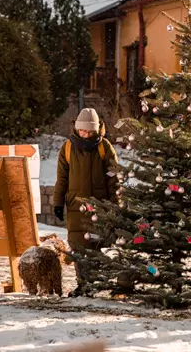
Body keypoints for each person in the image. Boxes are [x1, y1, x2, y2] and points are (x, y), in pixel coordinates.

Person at [53, 108, 119, 295]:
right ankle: (83, 285)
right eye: (83, 131)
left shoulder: (104, 147)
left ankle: (95, 284)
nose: (86, 135)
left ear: (97, 130)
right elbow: (62, 179)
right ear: (77, 128)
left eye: (90, 131)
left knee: (95, 246)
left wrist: (115, 204)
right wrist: (58, 203)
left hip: (99, 207)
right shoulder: (67, 148)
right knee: (77, 247)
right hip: (75, 207)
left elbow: (114, 180)